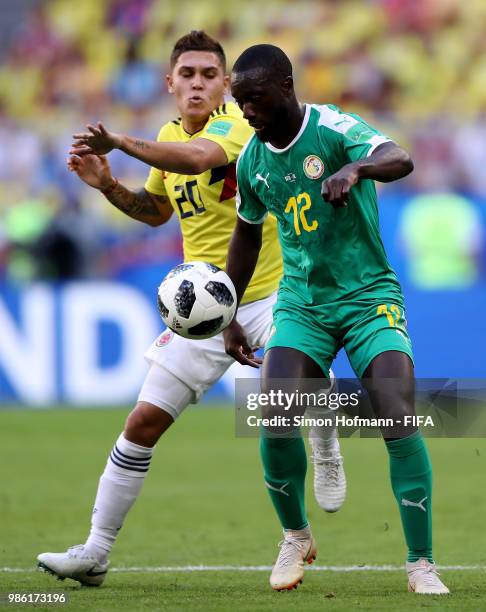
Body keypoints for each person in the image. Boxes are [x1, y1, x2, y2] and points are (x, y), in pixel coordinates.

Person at [37, 32, 346, 587]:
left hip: (277, 292)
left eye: (209, 74)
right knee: (141, 423)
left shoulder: (236, 126)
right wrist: (109, 186)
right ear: (170, 83)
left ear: (225, 83)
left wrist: (123, 145)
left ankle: (322, 456)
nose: (198, 83)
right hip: (206, 307)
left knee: (287, 398)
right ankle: (96, 550)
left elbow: (200, 157)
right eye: (188, 74)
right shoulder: (165, 135)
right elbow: (157, 210)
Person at [223, 44, 450, 595]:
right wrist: (228, 310)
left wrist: (355, 167)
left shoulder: (332, 127)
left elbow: (400, 158)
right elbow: (247, 234)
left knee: (395, 409)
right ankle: (296, 535)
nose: (246, 111)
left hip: (369, 295)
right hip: (303, 301)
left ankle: (421, 562)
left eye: (253, 99)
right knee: (272, 409)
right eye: (240, 101)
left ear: (285, 85)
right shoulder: (252, 161)